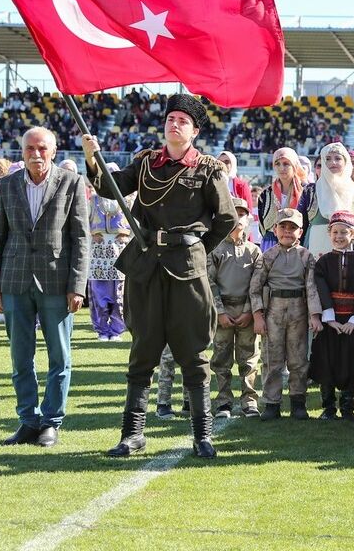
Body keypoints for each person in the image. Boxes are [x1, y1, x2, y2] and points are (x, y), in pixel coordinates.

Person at [82, 94, 238, 459]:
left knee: (195, 352)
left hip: (187, 268)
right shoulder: (146, 162)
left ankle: (202, 436)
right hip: (146, 265)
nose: (175, 124)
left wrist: (196, 247)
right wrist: (92, 156)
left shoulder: (209, 168)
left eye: (183, 120)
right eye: (171, 118)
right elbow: (111, 187)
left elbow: (226, 219)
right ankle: (132, 434)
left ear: (195, 130)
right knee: (143, 350)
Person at [0, 128, 90, 448]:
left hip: (57, 283)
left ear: (54, 150)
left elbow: (81, 239)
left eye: (42, 148)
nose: (36, 153)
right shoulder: (6, 186)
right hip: (15, 281)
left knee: (59, 357)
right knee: (21, 357)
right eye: (30, 148)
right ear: (22, 151)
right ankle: (28, 421)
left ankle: (51, 421)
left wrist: (77, 286)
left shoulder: (72, 183)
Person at [250, 207, 323, 420]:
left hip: (298, 310)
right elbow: (255, 288)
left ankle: (298, 402)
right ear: (275, 229)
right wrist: (257, 315)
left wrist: (314, 315)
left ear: (300, 232)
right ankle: (272, 403)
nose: (288, 232)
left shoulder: (306, 257)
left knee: (298, 358)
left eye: (293, 228)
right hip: (274, 310)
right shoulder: (267, 257)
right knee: (272, 358)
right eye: (283, 227)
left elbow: (311, 287)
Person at [208, 198, 263, 419]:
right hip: (223, 310)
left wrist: (249, 310)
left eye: (241, 214)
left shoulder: (254, 251)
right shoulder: (215, 249)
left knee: (249, 359)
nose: (237, 219)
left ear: (247, 219)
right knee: (221, 358)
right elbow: (209, 282)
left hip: (246, 310)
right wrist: (219, 311)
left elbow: (257, 284)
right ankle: (223, 402)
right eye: (233, 213)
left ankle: (249, 401)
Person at [311, 210, 354, 420]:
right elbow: (321, 288)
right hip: (330, 323)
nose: (339, 236)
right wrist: (330, 318)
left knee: (350, 361)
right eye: (335, 232)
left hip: (352, 322)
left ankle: (348, 406)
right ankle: (329, 407)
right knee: (327, 362)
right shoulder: (323, 262)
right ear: (329, 233)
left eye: (344, 232)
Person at [88, 173, 131, 342]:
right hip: (99, 252)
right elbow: (85, 222)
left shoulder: (127, 199)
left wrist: (126, 238)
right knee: (99, 292)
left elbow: (135, 225)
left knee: (119, 292)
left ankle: (117, 330)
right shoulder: (93, 199)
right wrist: (93, 234)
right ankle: (102, 330)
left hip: (120, 251)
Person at [298, 142, 354, 255]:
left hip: (348, 250)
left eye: (338, 158)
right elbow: (301, 223)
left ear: (346, 162)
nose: (333, 163)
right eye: (328, 159)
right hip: (316, 248)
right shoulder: (310, 191)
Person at [257, 147, 307, 251]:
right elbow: (262, 224)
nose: (281, 168)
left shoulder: (305, 191)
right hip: (271, 243)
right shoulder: (266, 194)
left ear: (294, 165)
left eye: (286, 164)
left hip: (298, 243)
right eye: (277, 164)